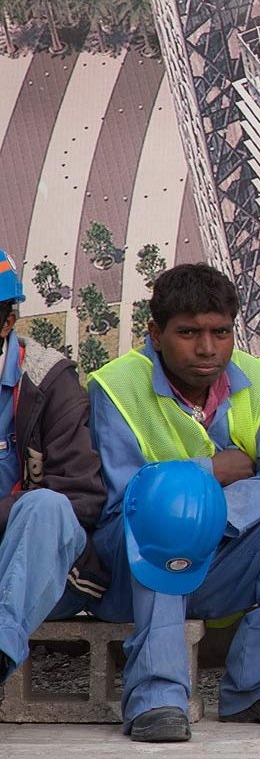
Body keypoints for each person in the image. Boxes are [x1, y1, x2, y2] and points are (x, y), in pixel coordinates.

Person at [88, 264, 260, 742]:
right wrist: (210, 475)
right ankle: (157, 698)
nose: (207, 349)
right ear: (155, 334)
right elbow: (125, 503)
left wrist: (218, 513)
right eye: (189, 333)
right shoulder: (117, 387)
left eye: (220, 332)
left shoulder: (257, 378)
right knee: (168, 517)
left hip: (222, 554)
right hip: (131, 566)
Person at [0, 247, 107, 681]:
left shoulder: (48, 379)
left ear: (7, 322)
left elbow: (80, 497)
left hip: (35, 566)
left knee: (46, 507)